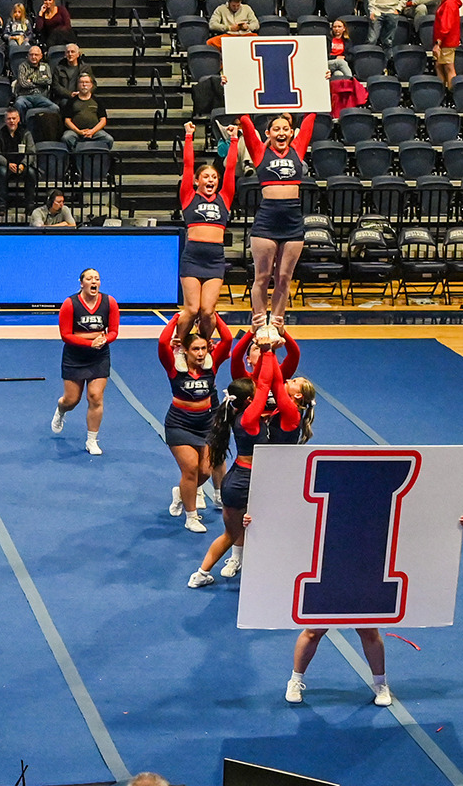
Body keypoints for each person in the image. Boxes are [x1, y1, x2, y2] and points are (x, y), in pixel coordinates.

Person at [189, 356, 312, 592]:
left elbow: (267, 387)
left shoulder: (241, 415)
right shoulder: (252, 417)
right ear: (250, 399)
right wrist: (268, 352)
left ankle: (201, 573)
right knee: (264, 529)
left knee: (233, 532)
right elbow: (268, 385)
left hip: (238, 478)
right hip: (257, 481)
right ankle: (274, 572)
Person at [237, 111, 317, 328]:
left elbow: (310, 117)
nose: (281, 133)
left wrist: (323, 82)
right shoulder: (260, 153)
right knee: (262, 276)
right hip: (266, 222)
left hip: (292, 223)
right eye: (276, 129)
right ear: (268, 133)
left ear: (291, 133)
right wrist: (232, 85)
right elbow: (244, 119)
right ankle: (260, 322)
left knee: (284, 277)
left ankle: (278, 322)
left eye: (285, 129)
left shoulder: (297, 150)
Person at [158, 316, 230, 534]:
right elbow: (162, 344)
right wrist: (177, 320)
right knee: (190, 469)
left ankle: (182, 493)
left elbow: (227, 340)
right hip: (179, 424)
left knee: (206, 470)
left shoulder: (211, 365)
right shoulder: (175, 368)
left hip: (206, 424)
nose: (200, 353)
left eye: (203, 349)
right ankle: (191, 516)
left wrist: (211, 316)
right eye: (195, 349)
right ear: (186, 351)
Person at [178, 121, 240, 346]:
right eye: (205, 177)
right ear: (197, 181)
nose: (211, 180)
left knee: (207, 311)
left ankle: (203, 347)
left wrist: (234, 140)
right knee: (192, 309)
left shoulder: (224, 198)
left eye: (214, 177)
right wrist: (188, 137)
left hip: (214, 259)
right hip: (193, 257)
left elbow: (231, 168)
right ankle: (179, 344)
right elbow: (187, 165)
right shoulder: (189, 197)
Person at [52, 268, 116, 455]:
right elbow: (65, 335)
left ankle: (92, 440)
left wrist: (104, 340)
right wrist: (89, 343)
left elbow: (113, 331)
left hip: (99, 356)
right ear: (82, 283)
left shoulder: (109, 302)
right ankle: (61, 409)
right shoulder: (69, 304)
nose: (94, 281)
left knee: (95, 396)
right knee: (72, 400)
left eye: (97, 278)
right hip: (75, 356)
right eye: (89, 278)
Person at [62, 74, 111, 149]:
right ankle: (75, 157)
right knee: (66, 137)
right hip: (75, 132)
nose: (84, 85)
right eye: (81, 82)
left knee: (108, 139)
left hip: (94, 132)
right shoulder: (71, 101)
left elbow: (103, 120)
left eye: (87, 82)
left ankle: (102, 158)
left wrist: (92, 131)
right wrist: (79, 131)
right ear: (77, 85)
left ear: (91, 85)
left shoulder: (97, 100)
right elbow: (67, 121)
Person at [432, 0, 463, 89]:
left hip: (446, 42)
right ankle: (442, 91)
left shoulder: (449, 4)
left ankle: (451, 94)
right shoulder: (448, 2)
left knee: (449, 68)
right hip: (445, 41)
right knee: (439, 65)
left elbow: (446, 25)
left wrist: (438, 43)